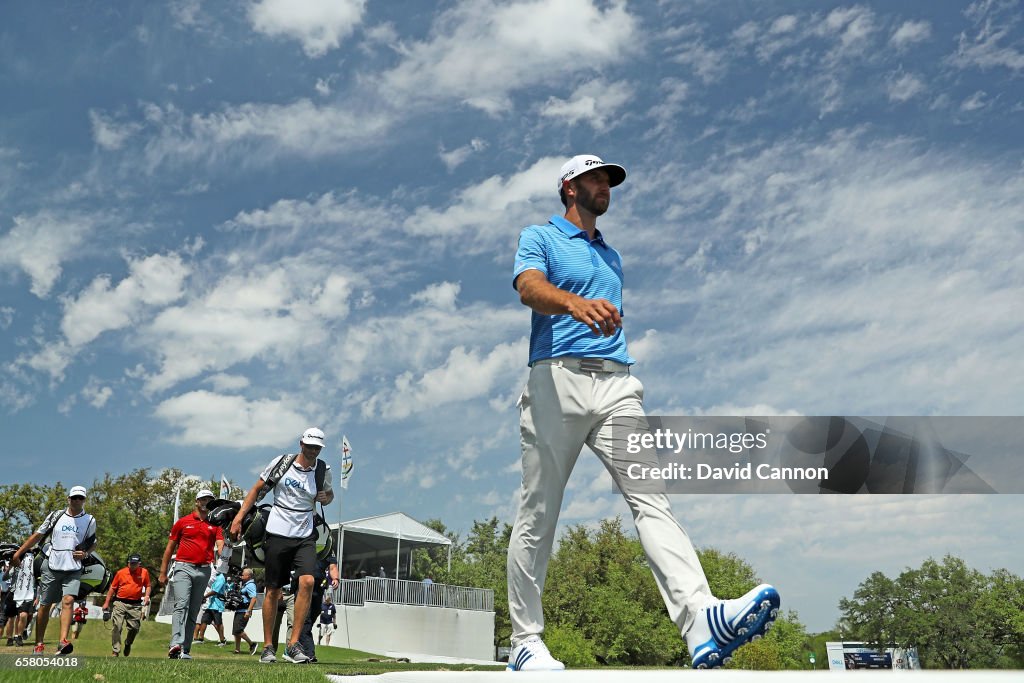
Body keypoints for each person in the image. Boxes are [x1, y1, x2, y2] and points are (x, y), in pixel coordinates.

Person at [506, 155, 781, 671]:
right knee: (539, 513)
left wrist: (603, 318)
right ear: (569, 187)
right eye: (595, 177)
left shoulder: (612, 257)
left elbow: (606, 313)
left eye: (609, 180)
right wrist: (571, 303)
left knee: (653, 500)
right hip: (556, 379)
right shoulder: (538, 236)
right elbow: (528, 288)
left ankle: (699, 618)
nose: (605, 185)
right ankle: (525, 641)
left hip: (617, 384)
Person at [230, 427, 334, 665]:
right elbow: (257, 489)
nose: (313, 451)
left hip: (305, 532)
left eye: (317, 447)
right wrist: (238, 518)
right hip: (277, 531)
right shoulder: (282, 463)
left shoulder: (322, 469)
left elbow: (329, 495)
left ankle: (293, 645)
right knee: (273, 590)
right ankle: (268, 647)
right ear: (301, 444)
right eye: (309, 446)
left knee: (307, 581)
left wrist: (327, 497)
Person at [11, 485, 97, 656]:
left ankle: (63, 641)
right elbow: (37, 535)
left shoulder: (90, 520)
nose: (77, 501)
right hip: (52, 565)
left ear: (84, 500)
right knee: (44, 605)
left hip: (74, 567)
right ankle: (39, 644)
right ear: (68, 499)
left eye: (80, 498)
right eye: (74, 498)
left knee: (68, 600)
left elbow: (93, 542)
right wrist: (18, 553)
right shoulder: (56, 516)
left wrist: (86, 553)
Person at [159, 488, 223, 660]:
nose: (205, 502)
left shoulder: (216, 523)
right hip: (183, 567)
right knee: (181, 604)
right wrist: (163, 572)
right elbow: (169, 548)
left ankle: (185, 650)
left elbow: (221, 544)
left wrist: (223, 556)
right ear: (196, 501)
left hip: (203, 570)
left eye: (209, 500)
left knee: (194, 609)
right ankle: (175, 644)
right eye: (203, 499)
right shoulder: (183, 522)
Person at [102, 553, 150, 657]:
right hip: (120, 602)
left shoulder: (144, 572)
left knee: (134, 628)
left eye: (135, 564)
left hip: (135, 604)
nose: (133, 565)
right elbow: (112, 588)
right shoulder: (120, 573)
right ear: (128, 563)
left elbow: (148, 586)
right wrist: (106, 603)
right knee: (117, 626)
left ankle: (128, 643)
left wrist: (146, 596)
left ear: (139, 564)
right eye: (131, 563)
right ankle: (115, 650)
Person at [298, 554, 338, 662]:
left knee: (314, 614)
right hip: (303, 583)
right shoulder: (303, 540)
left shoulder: (326, 546)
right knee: (305, 619)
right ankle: (309, 653)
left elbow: (333, 566)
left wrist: (335, 578)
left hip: (318, 585)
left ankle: (297, 646)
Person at [231, 567, 259, 655]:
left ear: (248, 576)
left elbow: (254, 598)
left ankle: (252, 644)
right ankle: (237, 649)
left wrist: (248, 611)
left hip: (244, 610)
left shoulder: (250, 585)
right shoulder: (245, 584)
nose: (241, 576)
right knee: (236, 631)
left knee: (238, 630)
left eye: (243, 574)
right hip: (240, 610)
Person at [196, 570, 228, 645]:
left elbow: (215, 591)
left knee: (218, 623)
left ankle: (222, 640)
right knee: (204, 621)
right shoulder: (214, 577)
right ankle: (201, 639)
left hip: (217, 605)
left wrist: (203, 597)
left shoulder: (221, 578)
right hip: (210, 604)